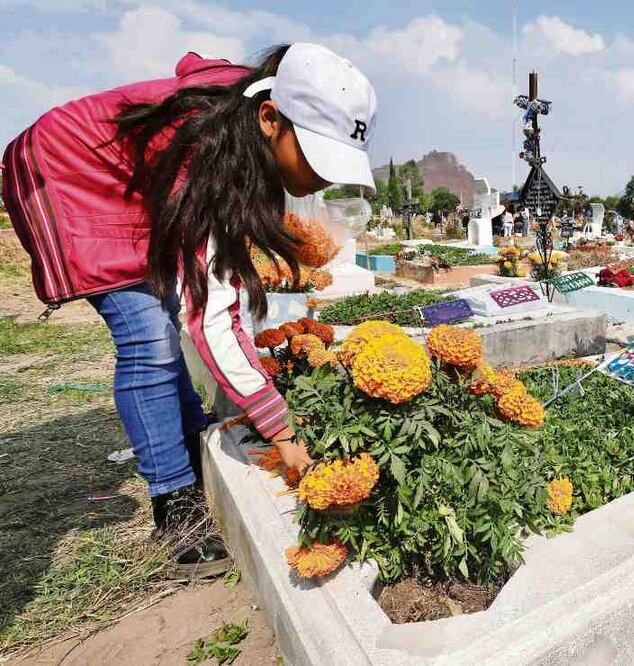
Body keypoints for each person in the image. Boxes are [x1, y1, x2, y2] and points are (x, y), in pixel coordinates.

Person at [1, 43, 377, 576]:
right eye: (317, 157)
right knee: (148, 336)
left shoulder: (244, 128)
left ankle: (189, 437)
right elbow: (215, 314)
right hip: (69, 175)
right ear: (270, 119)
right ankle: (175, 507)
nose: (322, 178)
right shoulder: (218, 153)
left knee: (158, 319)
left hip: (122, 183)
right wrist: (283, 433)